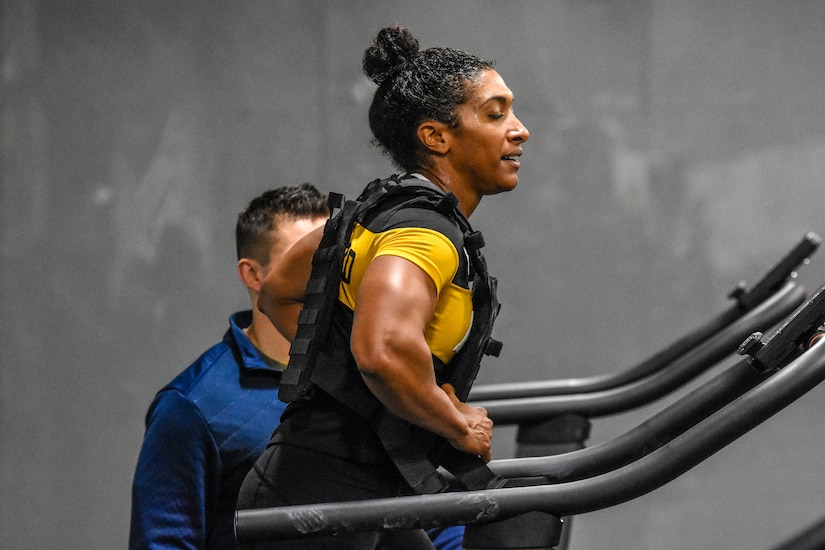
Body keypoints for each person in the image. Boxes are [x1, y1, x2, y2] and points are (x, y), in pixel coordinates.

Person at [237, 25, 530, 549]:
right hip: (317, 504)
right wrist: (455, 423)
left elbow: (279, 291)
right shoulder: (423, 233)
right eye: (495, 113)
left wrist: (358, 385)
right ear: (436, 136)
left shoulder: (380, 214)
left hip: (348, 493)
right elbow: (383, 349)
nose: (519, 129)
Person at [128, 184, 329, 549]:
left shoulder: (369, 376)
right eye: (301, 262)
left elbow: (423, 512)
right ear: (253, 275)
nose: (323, 279)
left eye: (330, 260)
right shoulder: (191, 407)